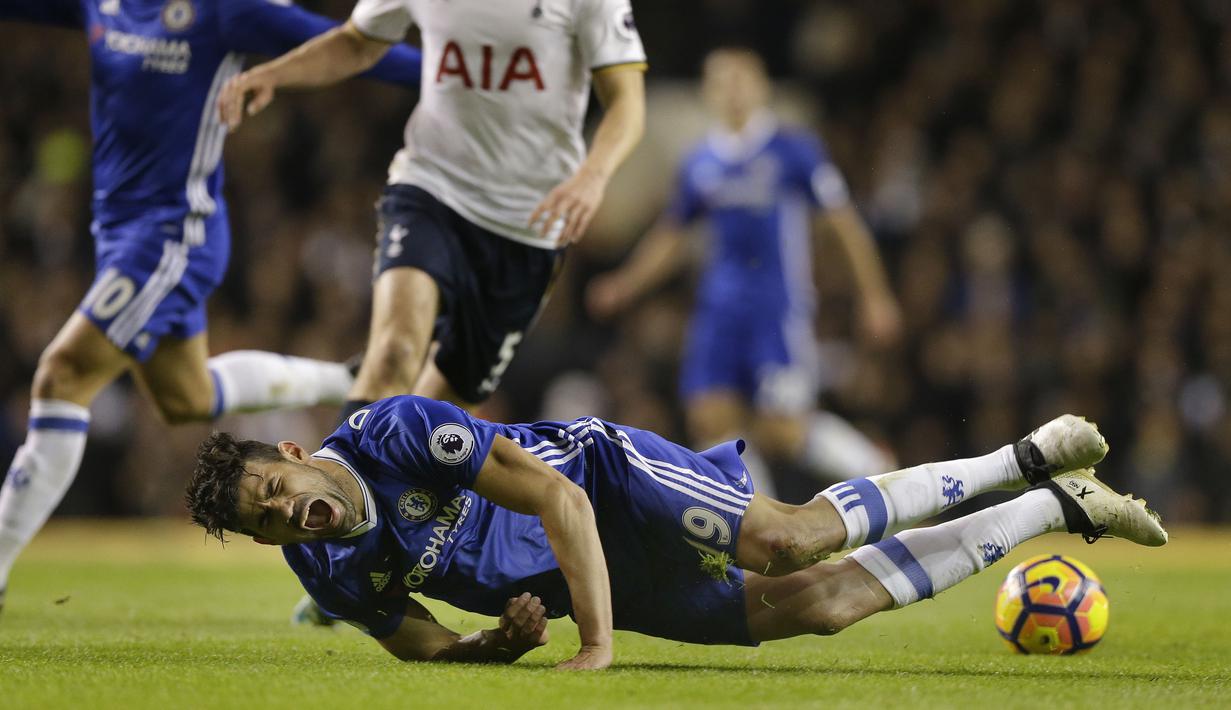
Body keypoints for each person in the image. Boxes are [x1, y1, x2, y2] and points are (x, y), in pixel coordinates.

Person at [186, 396, 1166, 669]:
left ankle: (1019, 457)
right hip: (580, 580)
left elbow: (558, 502)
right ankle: (1054, 507)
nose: (289, 511)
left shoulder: (396, 432)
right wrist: (496, 643)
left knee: (784, 540)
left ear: (292, 447)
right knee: (818, 606)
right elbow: (427, 643)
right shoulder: (329, 571)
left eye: (277, 486)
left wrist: (596, 642)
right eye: (266, 520)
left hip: (603, 485)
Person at [0, 0, 423, 612]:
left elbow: (352, 43)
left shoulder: (221, 11)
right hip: (119, 232)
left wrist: (455, 79)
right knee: (185, 397)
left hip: (174, 232)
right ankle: (347, 377)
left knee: (63, 375)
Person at [217, 0, 647, 420]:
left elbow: (627, 101)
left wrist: (593, 175)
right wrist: (277, 74)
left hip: (527, 223)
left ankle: (383, 486)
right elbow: (358, 42)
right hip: (431, 188)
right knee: (393, 353)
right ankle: (342, 486)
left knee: (440, 416)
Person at [588, 47, 901, 498]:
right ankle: (763, 526)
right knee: (712, 423)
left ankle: (877, 468)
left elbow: (843, 225)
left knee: (783, 432)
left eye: (742, 79)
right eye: (722, 81)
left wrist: (875, 294)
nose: (732, 90)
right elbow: (673, 235)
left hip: (776, 308)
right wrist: (626, 283)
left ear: (762, 88)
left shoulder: (794, 150)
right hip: (718, 309)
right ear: (708, 92)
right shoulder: (701, 161)